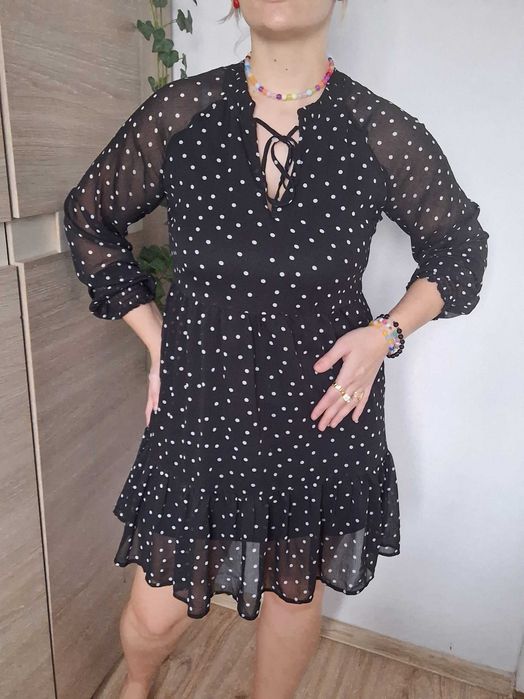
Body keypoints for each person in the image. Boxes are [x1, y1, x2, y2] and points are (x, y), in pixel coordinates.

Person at [62, 1, 489, 697]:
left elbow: (460, 250)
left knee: (294, 593)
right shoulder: (183, 115)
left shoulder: (376, 130)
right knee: (155, 609)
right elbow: (89, 218)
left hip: (320, 414)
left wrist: (384, 334)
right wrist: (159, 340)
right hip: (202, 408)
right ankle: (137, 686)